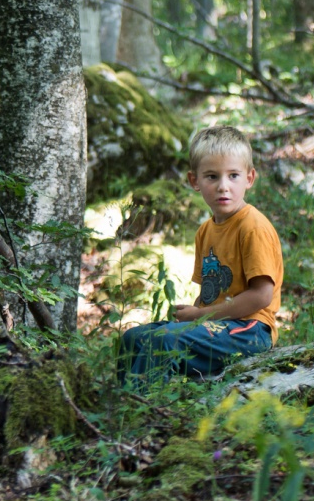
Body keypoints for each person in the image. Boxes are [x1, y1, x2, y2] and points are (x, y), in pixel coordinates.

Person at [120, 125, 284, 385]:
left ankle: (145, 414)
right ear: (194, 181)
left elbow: (262, 296)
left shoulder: (252, 226)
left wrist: (199, 317)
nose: (223, 187)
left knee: (163, 342)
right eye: (211, 177)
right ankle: (126, 404)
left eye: (233, 176)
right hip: (219, 327)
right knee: (133, 338)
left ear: (249, 178)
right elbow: (209, 292)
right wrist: (193, 315)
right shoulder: (206, 231)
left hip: (250, 330)